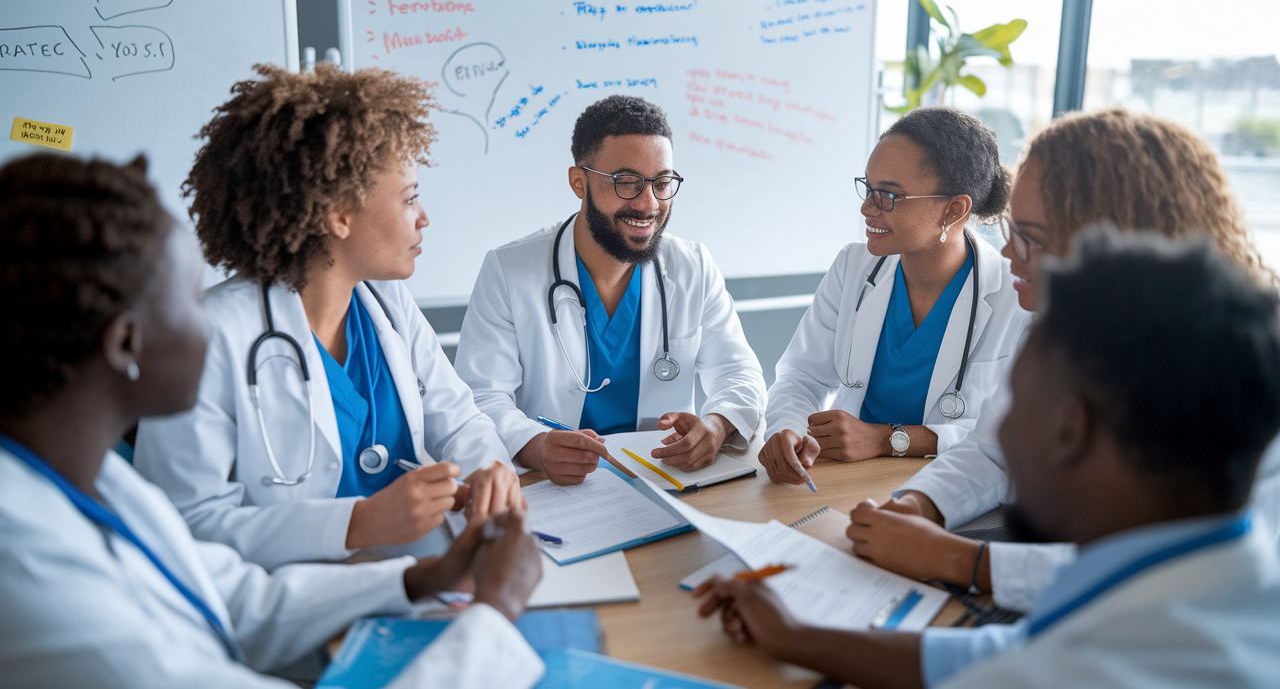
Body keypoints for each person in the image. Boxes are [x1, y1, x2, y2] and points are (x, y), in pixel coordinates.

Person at [0, 154, 544, 689]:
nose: (209, 314)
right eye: (190, 299)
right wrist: (495, 614)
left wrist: (425, 577)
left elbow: (232, 599)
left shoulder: (102, 484)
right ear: (126, 343)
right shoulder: (31, 573)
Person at [695, 228, 1280, 688]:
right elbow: (1002, 658)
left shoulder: (1127, 662)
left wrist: (801, 638)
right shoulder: (1222, 568)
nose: (996, 429)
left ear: (1070, 430)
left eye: (1015, 400)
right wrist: (798, 636)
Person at [848, 109, 1278, 613]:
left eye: (1030, 235)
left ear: (1119, 236)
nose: (1006, 252)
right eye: (1010, 227)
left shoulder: (1249, 368)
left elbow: (1210, 575)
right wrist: (917, 506)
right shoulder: (1071, 329)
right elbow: (990, 451)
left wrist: (963, 561)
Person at [134, 65, 521, 571]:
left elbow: (460, 418)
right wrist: (356, 523)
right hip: (292, 608)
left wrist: (490, 467)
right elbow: (185, 525)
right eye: (408, 198)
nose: (423, 217)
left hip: (421, 575)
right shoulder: (210, 337)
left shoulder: (386, 301)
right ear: (337, 215)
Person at [454, 95, 766, 485]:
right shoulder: (509, 271)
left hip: (664, 478)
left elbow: (739, 372)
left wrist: (718, 424)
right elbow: (480, 396)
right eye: (627, 183)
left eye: (662, 182)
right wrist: (536, 445)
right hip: (554, 488)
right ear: (579, 183)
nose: (649, 203)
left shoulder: (692, 267)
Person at [760, 106, 1029, 484]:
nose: (866, 208)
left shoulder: (1016, 298)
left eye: (888, 195)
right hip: (845, 481)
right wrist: (786, 429)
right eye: (868, 189)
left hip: (947, 487)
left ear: (953, 210)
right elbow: (802, 376)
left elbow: (1012, 435)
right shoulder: (853, 267)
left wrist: (888, 440)